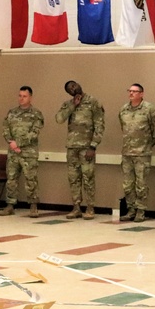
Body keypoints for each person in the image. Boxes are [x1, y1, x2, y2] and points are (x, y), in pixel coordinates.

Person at [55, 80, 104, 220]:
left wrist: (93, 146)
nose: (73, 88)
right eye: (70, 89)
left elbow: (100, 126)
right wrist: (72, 105)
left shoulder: (93, 102)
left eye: (74, 85)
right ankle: (76, 207)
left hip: (86, 147)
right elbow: (59, 119)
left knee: (88, 177)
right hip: (72, 147)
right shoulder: (68, 104)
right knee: (73, 178)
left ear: (79, 85)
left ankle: (90, 208)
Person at [118, 83, 155, 222]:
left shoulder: (150, 109)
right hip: (127, 153)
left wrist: (146, 145)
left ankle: (141, 211)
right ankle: (131, 210)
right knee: (127, 184)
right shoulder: (124, 109)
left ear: (141, 94)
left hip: (142, 153)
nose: (131, 93)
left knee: (141, 184)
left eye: (134, 91)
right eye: (129, 91)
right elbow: (123, 128)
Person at [0, 86, 43, 218]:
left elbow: (34, 133)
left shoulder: (36, 114)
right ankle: (10, 205)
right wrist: (12, 144)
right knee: (11, 179)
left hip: (28, 153)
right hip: (13, 152)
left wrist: (19, 143)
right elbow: (5, 129)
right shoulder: (11, 113)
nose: (21, 98)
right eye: (19, 96)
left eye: (24, 96)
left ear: (30, 97)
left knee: (31, 179)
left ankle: (33, 205)